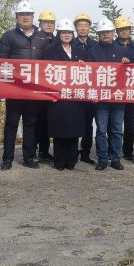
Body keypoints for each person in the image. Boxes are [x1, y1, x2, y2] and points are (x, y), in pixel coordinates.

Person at [0, 1, 50, 170]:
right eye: (22, 14)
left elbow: (48, 64)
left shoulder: (42, 37)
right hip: (14, 89)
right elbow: (2, 61)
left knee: (30, 123)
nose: (25, 17)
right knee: (11, 124)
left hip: (34, 90)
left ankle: (28, 157)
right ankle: (7, 159)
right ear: (17, 17)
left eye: (28, 14)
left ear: (33, 16)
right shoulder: (9, 36)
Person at [87, 18, 132, 170]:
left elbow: (130, 74)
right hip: (100, 98)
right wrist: (92, 94)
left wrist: (127, 63)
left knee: (117, 130)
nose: (105, 34)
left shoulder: (122, 51)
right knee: (101, 130)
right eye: (102, 32)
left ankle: (115, 159)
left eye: (108, 32)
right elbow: (88, 75)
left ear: (113, 33)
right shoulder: (92, 51)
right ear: (98, 34)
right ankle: (102, 159)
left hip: (118, 97)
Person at [43, 18, 86, 170]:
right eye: (63, 32)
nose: (66, 35)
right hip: (58, 97)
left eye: (69, 32)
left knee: (74, 130)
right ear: (59, 34)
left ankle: (71, 161)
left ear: (73, 34)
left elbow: (89, 74)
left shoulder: (80, 52)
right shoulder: (50, 52)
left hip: (75, 97)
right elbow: (45, 73)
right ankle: (59, 161)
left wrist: (84, 66)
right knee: (59, 130)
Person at [114, 16, 134, 161]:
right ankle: (114, 150)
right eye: (121, 29)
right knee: (115, 122)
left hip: (130, 90)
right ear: (117, 31)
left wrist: (132, 62)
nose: (124, 32)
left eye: (126, 29)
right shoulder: (112, 46)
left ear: (130, 30)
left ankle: (128, 151)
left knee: (129, 121)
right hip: (115, 90)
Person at [73, 12, 98, 164]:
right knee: (74, 120)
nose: (82, 28)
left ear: (89, 27)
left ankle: (85, 152)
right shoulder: (70, 44)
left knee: (88, 123)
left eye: (85, 25)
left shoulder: (95, 45)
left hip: (91, 89)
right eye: (80, 25)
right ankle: (72, 151)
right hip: (75, 89)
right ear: (76, 28)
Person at [36, 9, 58, 161]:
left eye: (51, 23)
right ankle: (35, 150)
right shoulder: (35, 39)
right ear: (40, 24)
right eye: (46, 22)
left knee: (51, 119)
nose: (49, 25)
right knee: (37, 120)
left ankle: (46, 150)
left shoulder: (58, 41)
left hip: (54, 87)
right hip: (38, 86)